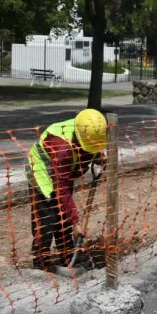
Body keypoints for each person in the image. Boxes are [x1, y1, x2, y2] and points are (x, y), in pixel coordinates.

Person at [26, 109, 107, 271]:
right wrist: (76, 223)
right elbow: (62, 189)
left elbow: (90, 146)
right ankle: (40, 264)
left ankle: (67, 257)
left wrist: (97, 155)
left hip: (62, 171)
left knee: (62, 215)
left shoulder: (89, 128)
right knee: (47, 219)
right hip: (42, 172)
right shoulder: (62, 147)